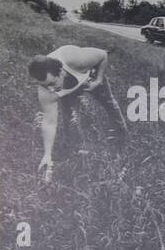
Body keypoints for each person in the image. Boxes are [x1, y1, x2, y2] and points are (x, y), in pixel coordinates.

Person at [27, 45, 127, 182]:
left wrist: (98, 80)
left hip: (89, 76)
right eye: (45, 85)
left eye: (52, 83)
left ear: (61, 72)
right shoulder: (45, 92)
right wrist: (47, 154)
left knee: (110, 104)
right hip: (71, 88)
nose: (50, 90)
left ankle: (122, 136)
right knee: (70, 119)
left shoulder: (75, 58)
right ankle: (75, 151)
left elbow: (103, 55)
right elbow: (49, 123)